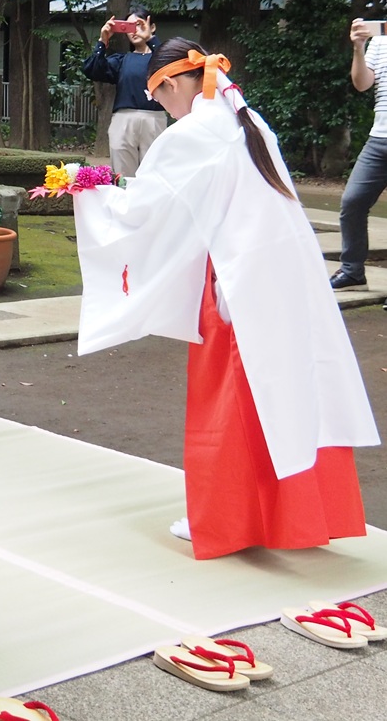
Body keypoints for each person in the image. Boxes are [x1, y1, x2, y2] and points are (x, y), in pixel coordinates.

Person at [71, 38, 379, 560]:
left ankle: (228, 518)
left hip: (236, 280)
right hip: (287, 276)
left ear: (169, 83)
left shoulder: (191, 133)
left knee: (232, 398)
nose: (161, 109)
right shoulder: (248, 120)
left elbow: (146, 210)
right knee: (293, 390)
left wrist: (89, 191)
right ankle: (302, 512)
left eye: (158, 97)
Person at [329, 16, 387, 293]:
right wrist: (358, 47)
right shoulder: (380, 39)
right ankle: (352, 271)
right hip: (379, 139)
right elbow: (362, 83)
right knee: (352, 202)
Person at [83, 6, 167, 176]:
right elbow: (92, 70)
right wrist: (102, 41)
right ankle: (123, 201)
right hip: (123, 120)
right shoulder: (122, 60)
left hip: (154, 119)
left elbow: (173, 64)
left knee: (154, 174)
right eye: (128, 26)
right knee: (122, 175)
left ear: (152, 26)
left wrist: (150, 39)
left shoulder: (162, 57)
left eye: (139, 24)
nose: (134, 31)